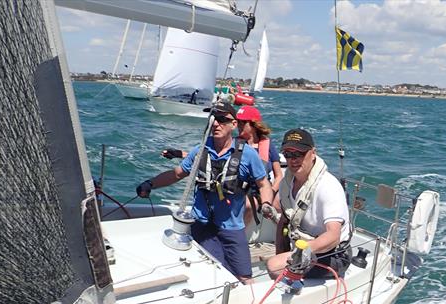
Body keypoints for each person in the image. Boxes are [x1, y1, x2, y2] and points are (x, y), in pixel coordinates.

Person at [136, 101, 273, 282]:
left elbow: (264, 184)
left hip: (232, 227)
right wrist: (150, 183)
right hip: (202, 225)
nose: (216, 123)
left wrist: (266, 204)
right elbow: (178, 174)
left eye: (222, 119)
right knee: (220, 271)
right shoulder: (200, 150)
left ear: (234, 124)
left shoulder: (248, 155)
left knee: (246, 277)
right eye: (213, 118)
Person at [265, 128, 352, 279]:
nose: (293, 160)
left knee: (274, 266)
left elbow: (333, 236)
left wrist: (302, 252)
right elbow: (284, 217)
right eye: (288, 154)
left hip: (334, 254)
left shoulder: (328, 187)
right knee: (278, 261)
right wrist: (283, 252)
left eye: (299, 154)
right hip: (303, 245)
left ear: (313, 153)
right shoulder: (288, 182)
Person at [233, 105, 283, 224]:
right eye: (237, 122)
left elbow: (279, 175)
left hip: (264, 189)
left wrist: (270, 192)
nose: (238, 125)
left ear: (253, 125)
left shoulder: (267, 145)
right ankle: (239, 238)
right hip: (241, 189)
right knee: (250, 205)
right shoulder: (234, 143)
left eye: (242, 122)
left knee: (281, 206)